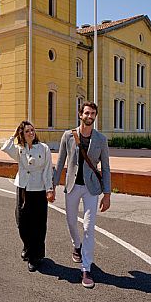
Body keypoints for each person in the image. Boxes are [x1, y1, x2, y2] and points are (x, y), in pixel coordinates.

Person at [53, 101, 111, 289]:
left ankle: (86, 268)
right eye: (87, 113)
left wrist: (107, 193)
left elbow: (106, 168)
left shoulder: (101, 139)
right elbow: (60, 161)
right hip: (72, 186)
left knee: (88, 227)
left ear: (95, 116)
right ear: (80, 115)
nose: (89, 116)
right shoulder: (68, 136)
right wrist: (51, 186)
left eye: (93, 113)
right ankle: (76, 245)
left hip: (91, 189)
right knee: (71, 221)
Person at [2, 121, 55, 272]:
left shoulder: (43, 148)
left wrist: (49, 189)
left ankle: (35, 255)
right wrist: (14, 135)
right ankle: (27, 246)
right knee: (22, 222)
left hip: (39, 189)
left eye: (32, 130)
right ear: (22, 135)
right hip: (24, 188)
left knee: (38, 224)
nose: (31, 133)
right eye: (27, 131)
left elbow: (47, 170)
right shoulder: (19, 149)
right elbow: (6, 147)